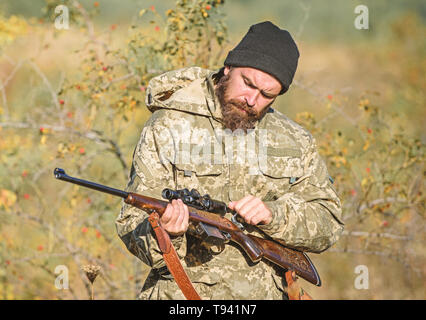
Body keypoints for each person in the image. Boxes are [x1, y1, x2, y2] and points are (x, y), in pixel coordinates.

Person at [116, 21, 344, 300]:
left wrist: (274, 215)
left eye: (267, 95)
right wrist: (165, 233)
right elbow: (131, 224)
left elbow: (328, 222)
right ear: (228, 67)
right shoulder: (168, 125)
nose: (252, 99)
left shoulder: (296, 141)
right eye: (248, 84)